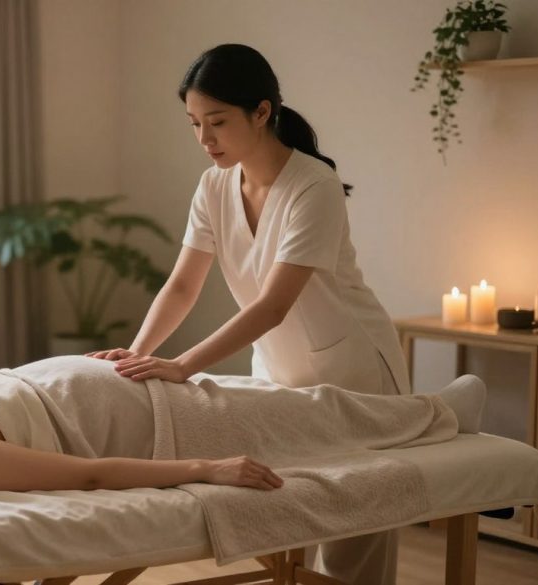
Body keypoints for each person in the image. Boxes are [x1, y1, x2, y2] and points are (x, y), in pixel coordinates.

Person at [87, 44, 412, 585]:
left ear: (262, 112)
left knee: (356, 542)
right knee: (286, 523)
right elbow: (183, 283)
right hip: (278, 371)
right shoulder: (214, 185)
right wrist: (140, 350)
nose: (204, 139)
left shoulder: (314, 186)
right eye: (194, 123)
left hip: (355, 375)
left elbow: (274, 304)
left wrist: (183, 364)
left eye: (217, 122)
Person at [0, 355, 486, 496]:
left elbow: (35, 389)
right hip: (170, 428)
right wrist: (208, 470)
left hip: (146, 386)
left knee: (305, 400)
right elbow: (91, 473)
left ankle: (432, 412)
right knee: (316, 416)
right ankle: (445, 415)